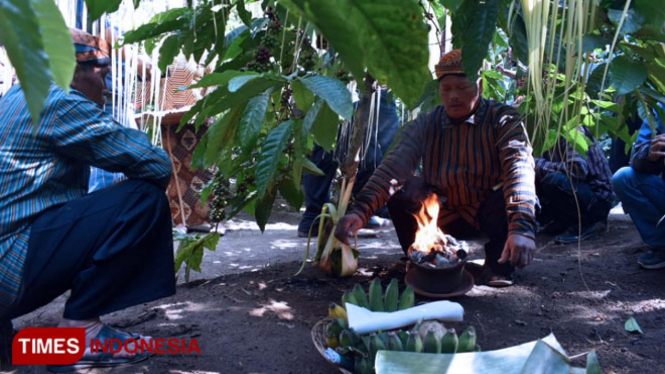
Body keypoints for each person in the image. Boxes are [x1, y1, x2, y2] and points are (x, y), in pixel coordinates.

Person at [0, 29, 175, 370]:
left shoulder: (13, 98)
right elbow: (156, 163)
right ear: (79, 70)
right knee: (142, 200)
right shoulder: (58, 101)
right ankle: (82, 333)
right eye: (105, 76)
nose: (107, 88)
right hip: (8, 270)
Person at [334, 49, 538, 287]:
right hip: (443, 213)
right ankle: (422, 258)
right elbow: (392, 169)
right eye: (446, 89)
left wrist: (521, 226)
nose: (453, 96)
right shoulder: (425, 124)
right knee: (404, 190)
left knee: (511, 194)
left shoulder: (504, 119)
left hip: (487, 214)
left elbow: (519, 166)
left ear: (480, 86)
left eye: (462, 88)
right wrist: (360, 212)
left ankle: (498, 264)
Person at [297, 88, 398, 237]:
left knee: (377, 152)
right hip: (341, 83)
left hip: (377, 86)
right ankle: (314, 218)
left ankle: (358, 211)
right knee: (328, 146)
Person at [535, 127, 615, 244]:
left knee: (553, 180)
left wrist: (537, 164)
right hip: (580, 192)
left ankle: (583, 226)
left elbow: (578, 170)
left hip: (596, 200)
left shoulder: (571, 129)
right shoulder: (538, 130)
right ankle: (563, 221)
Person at [612, 103, 665, 269]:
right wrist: (650, 154)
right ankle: (661, 245)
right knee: (624, 178)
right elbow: (638, 154)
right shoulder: (661, 106)